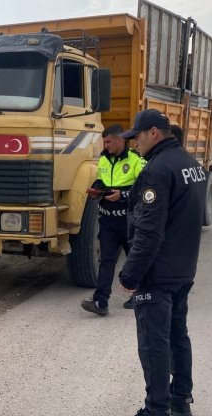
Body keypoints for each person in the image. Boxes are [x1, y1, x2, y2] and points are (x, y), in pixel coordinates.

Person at [118, 109, 206, 416]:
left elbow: (149, 232)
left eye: (137, 137)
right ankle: (180, 399)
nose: (134, 144)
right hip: (183, 269)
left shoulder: (157, 170)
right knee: (178, 335)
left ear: (153, 132)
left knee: (154, 344)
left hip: (158, 273)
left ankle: (156, 409)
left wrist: (130, 275)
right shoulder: (190, 164)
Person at [81, 124, 143, 316]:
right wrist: (95, 189)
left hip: (129, 221)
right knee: (106, 261)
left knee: (134, 260)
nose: (105, 145)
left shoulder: (136, 160)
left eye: (108, 142)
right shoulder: (103, 158)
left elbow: (144, 188)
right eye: (104, 142)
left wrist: (122, 195)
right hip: (107, 221)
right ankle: (101, 302)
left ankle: (140, 296)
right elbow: (102, 180)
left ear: (119, 139)